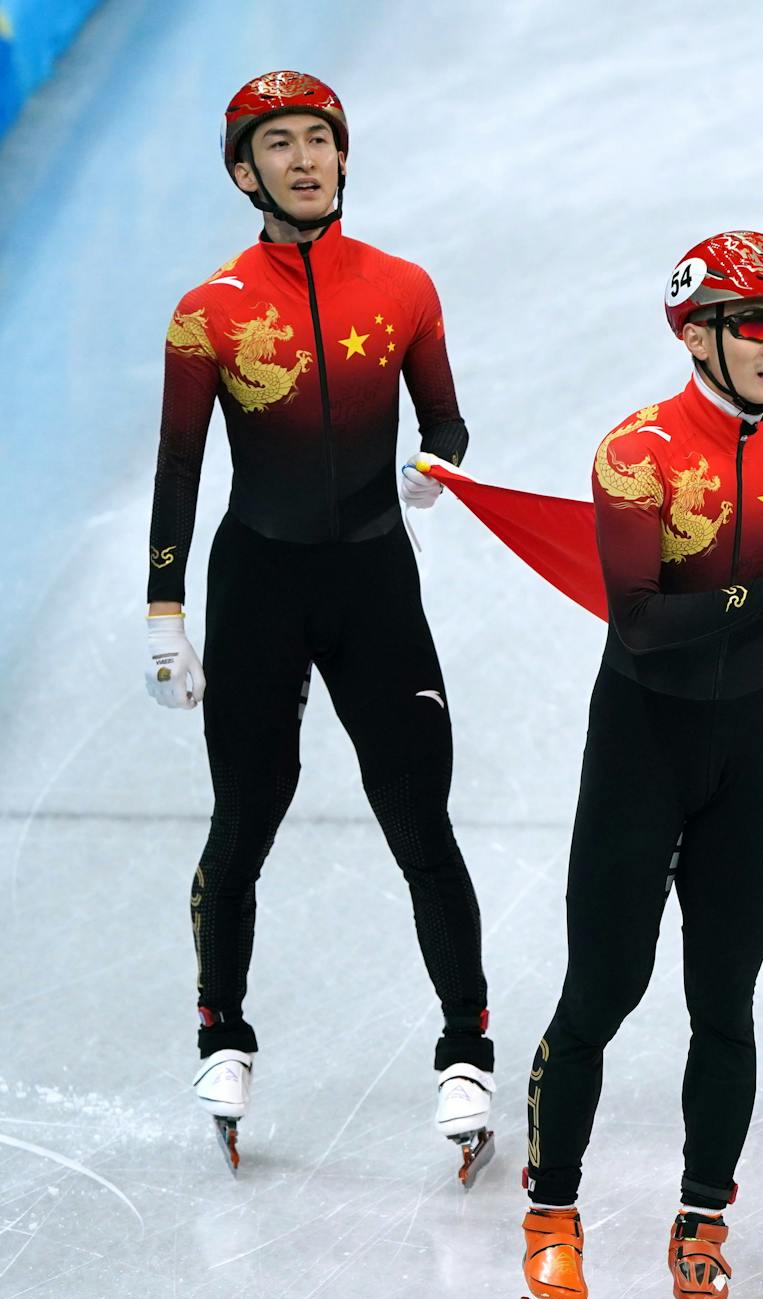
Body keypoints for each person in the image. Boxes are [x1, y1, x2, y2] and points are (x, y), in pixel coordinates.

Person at [519, 231, 763, 1299]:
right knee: (603, 992)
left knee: (726, 1000)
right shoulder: (638, 454)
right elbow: (638, 622)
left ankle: (703, 1216)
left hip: (748, 753)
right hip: (641, 747)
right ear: (697, 334)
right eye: (756, 325)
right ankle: (551, 1213)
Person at [145, 70, 493, 1182]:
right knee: (246, 817)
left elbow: (445, 420)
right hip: (260, 583)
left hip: (374, 584)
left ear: (343, 156)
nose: (304, 160)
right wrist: (165, 614)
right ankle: (222, 1031)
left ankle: (466, 1046)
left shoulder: (403, 287)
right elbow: (179, 469)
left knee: (419, 820)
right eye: (279, 144)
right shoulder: (208, 310)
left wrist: (435, 465)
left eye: (319, 140)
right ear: (243, 172)